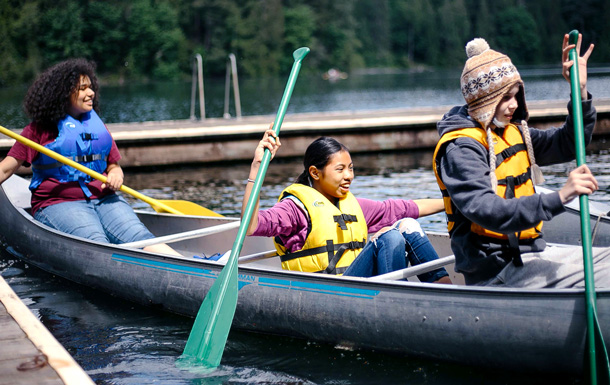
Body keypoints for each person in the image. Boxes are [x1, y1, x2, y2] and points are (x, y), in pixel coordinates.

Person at [433, 34, 610, 288]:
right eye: (505, 98)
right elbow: (487, 210)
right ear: (484, 101)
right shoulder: (460, 148)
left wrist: (579, 91)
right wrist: (559, 198)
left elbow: (568, 144)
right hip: (497, 270)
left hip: (531, 255)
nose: (514, 104)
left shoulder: (511, 131)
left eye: (516, 95)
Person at [0, 58, 179, 256]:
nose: (91, 93)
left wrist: (116, 174)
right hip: (59, 203)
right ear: (63, 94)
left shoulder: (96, 128)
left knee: (139, 236)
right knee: (96, 242)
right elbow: (5, 168)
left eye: (91, 87)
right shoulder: (37, 131)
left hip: (104, 199)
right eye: (83, 88)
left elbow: (113, 165)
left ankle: (196, 270)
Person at [243, 132, 451, 282]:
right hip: (326, 293)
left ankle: (445, 294)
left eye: (351, 168)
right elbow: (250, 226)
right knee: (391, 236)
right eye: (340, 169)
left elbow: (405, 208)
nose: (349, 176)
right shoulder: (294, 210)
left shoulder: (352, 205)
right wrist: (256, 169)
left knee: (407, 224)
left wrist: (452, 203)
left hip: (355, 285)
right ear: (315, 173)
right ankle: (399, 303)